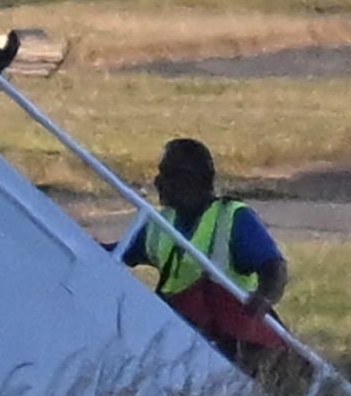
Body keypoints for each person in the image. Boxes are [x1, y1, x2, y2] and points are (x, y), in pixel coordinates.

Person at [112, 137, 298, 383]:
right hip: (177, 332)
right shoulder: (160, 224)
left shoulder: (233, 218)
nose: (158, 182)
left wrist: (264, 298)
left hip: (230, 338)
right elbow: (115, 254)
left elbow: (274, 267)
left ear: (191, 180)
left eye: (166, 174)